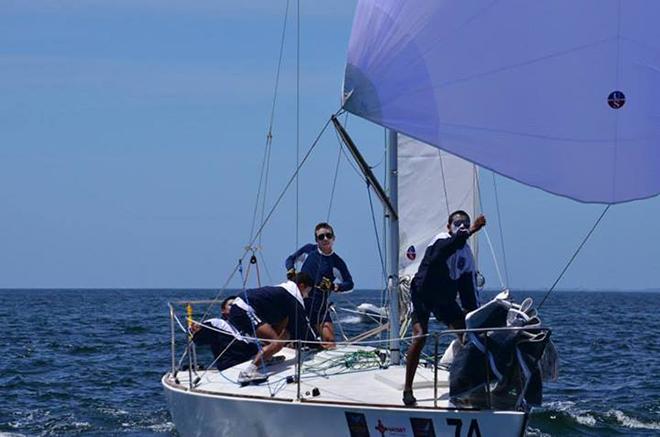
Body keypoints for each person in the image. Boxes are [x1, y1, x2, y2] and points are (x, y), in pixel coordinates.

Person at [402, 210, 487, 406]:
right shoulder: (440, 240)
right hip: (423, 294)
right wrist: (473, 229)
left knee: (468, 336)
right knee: (420, 335)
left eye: (465, 222)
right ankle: (408, 388)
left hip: (444, 299)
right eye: (457, 223)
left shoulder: (467, 256)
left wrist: (475, 316)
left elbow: (469, 293)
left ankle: (469, 385)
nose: (462, 225)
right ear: (449, 227)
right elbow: (443, 251)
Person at [229, 272, 315, 383]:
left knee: (283, 322)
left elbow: (290, 322)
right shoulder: (293, 295)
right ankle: (248, 372)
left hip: (241, 306)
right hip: (244, 309)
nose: (307, 295)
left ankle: (267, 358)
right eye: (308, 291)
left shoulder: (284, 290)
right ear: (301, 286)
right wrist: (316, 344)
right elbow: (302, 324)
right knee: (276, 343)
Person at [285, 222, 353, 347]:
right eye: (321, 237)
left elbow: (349, 284)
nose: (325, 239)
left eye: (328, 235)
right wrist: (291, 271)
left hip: (319, 307)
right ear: (317, 240)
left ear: (333, 238)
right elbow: (290, 259)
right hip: (299, 302)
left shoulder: (337, 262)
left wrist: (334, 286)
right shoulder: (308, 250)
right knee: (286, 339)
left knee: (330, 342)